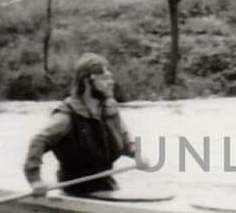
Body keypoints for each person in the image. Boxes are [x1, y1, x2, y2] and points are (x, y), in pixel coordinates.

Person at [24, 52, 147, 198]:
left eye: (110, 77)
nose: (111, 82)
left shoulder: (109, 110)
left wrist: (137, 155)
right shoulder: (66, 117)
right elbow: (39, 140)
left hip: (107, 187)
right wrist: (35, 180)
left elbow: (126, 140)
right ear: (87, 82)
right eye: (104, 78)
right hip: (74, 192)